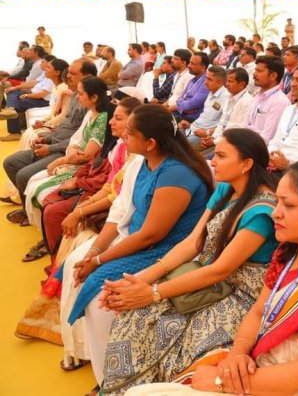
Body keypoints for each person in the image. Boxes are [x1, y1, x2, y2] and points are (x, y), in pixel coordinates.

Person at [127, 161, 298, 395]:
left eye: (289, 205)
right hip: (266, 364)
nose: (275, 212)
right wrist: (238, 354)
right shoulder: (291, 249)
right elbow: (259, 311)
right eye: (277, 201)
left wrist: (222, 382)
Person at [100, 129, 279, 394]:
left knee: (171, 332)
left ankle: (144, 387)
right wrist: (142, 280)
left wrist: (153, 293)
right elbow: (192, 243)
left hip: (240, 292)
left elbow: (222, 269)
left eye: (220, 155)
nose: (212, 161)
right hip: (206, 276)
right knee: (133, 315)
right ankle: (118, 387)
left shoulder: (262, 211)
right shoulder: (225, 191)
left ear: (247, 164)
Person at [59, 104, 212, 390]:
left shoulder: (176, 174)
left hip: (168, 250)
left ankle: (117, 380)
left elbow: (151, 235)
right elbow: (121, 211)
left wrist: (100, 259)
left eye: (129, 133)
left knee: (103, 297)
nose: (122, 137)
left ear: (151, 143)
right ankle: (104, 369)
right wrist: (95, 252)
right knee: (81, 269)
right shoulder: (143, 162)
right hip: (142, 241)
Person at [14, 97, 142, 349]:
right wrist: (83, 206)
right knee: (52, 208)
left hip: (122, 220)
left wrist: (82, 211)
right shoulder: (120, 148)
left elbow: (119, 200)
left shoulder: (142, 159)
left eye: (118, 118)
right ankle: (56, 272)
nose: (111, 122)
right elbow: (112, 188)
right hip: (111, 207)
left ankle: (77, 337)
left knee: (71, 243)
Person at [23, 77, 110, 230]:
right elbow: (76, 141)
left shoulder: (102, 118)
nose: (77, 97)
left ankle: (49, 233)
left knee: (40, 189)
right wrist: (70, 153)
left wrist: (59, 161)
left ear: (94, 97)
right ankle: (43, 230)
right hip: (73, 160)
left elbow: (87, 156)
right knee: (33, 182)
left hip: (82, 167)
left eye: (81, 94)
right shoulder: (91, 114)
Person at [1, 58, 64, 140]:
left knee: (16, 104)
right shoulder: (45, 74)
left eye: (46, 64)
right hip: (32, 93)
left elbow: (42, 94)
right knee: (11, 93)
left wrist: (27, 95)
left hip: (41, 100)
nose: (41, 64)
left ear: (57, 72)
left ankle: (14, 131)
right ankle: (11, 108)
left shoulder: (54, 82)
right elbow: (33, 82)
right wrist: (15, 88)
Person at [200, 68, 253, 156]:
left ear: (241, 84)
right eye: (227, 81)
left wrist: (215, 141)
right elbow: (222, 123)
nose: (226, 84)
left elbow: (238, 131)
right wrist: (212, 137)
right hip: (219, 140)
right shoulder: (229, 97)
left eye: (230, 81)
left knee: (199, 160)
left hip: (232, 145)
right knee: (191, 154)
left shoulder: (247, 102)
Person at [177, 66, 228, 152]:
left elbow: (224, 125)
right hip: (193, 128)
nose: (205, 82)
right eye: (206, 78)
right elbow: (205, 117)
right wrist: (190, 125)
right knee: (168, 135)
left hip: (204, 136)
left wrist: (207, 133)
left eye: (209, 79)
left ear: (219, 83)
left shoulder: (226, 97)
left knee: (178, 147)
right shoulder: (211, 92)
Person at [245, 56, 289, 143]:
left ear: (273, 76)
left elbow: (266, 138)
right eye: (255, 70)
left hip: (257, 149)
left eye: (259, 71)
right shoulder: (258, 95)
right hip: (246, 142)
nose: (254, 74)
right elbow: (245, 125)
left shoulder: (280, 101)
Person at [174, 52, 210, 123]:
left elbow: (192, 104)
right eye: (190, 62)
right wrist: (182, 109)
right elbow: (179, 99)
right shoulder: (192, 80)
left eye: (192, 64)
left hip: (191, 120)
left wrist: (180, 106)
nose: (188, 66)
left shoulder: (206, 82)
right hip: (182, 115)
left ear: (203, 67)